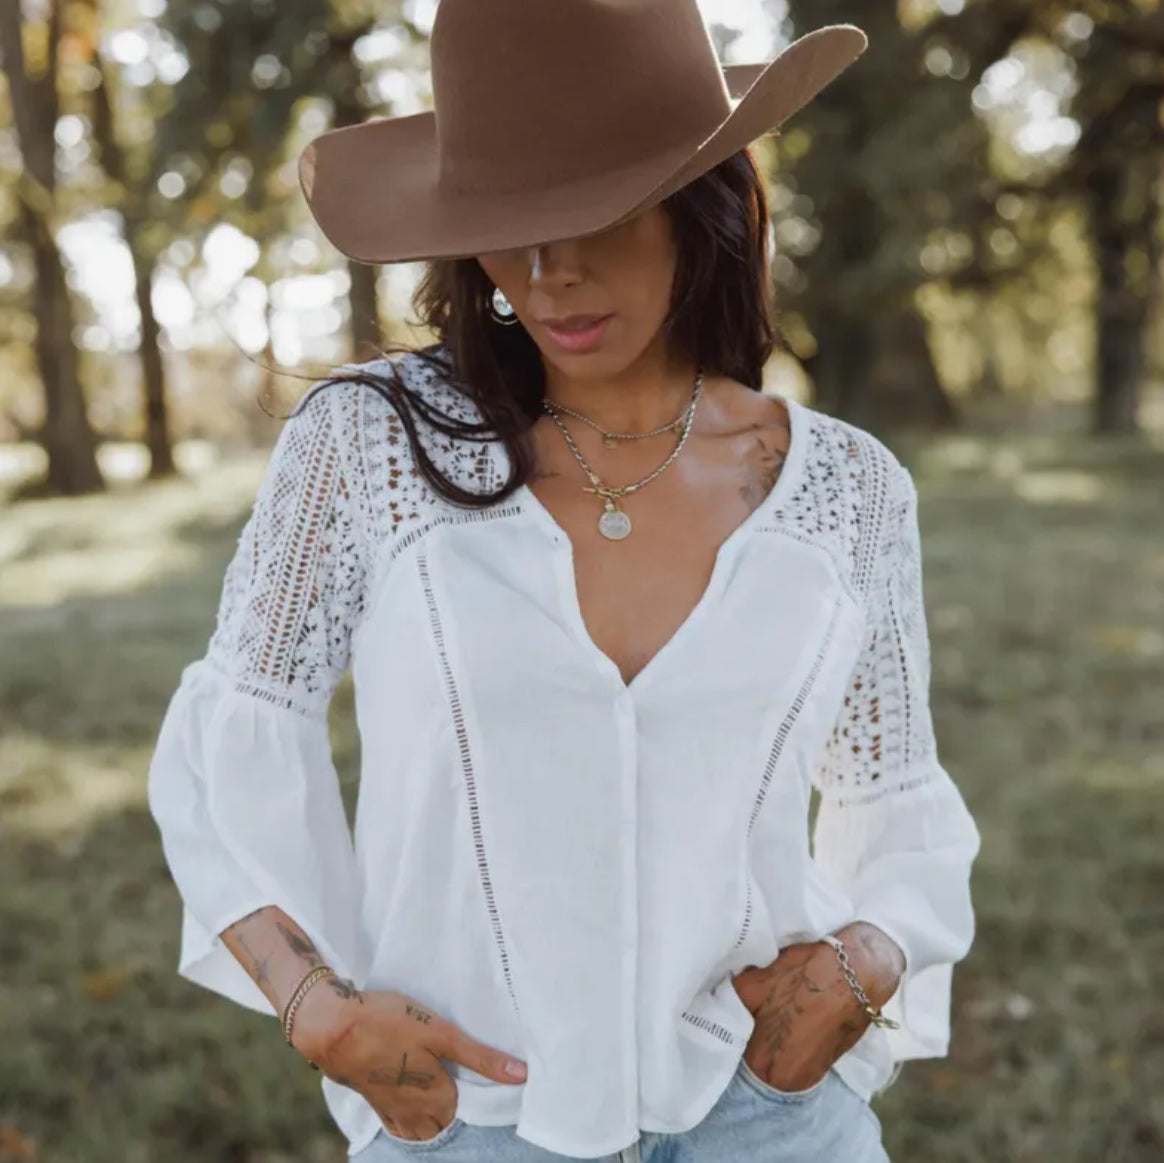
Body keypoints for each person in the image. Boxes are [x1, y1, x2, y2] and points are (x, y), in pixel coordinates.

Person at [146, 3, 982, 1161]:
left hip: (769, 1115)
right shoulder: (369, 447)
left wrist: (871, 955)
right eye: (507, 226)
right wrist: (312, 1002)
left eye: (600, 213)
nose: (550, 273)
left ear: (711, 203)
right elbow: (236, 723)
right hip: (472, 1121)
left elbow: (893, 786)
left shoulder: (847, 487)